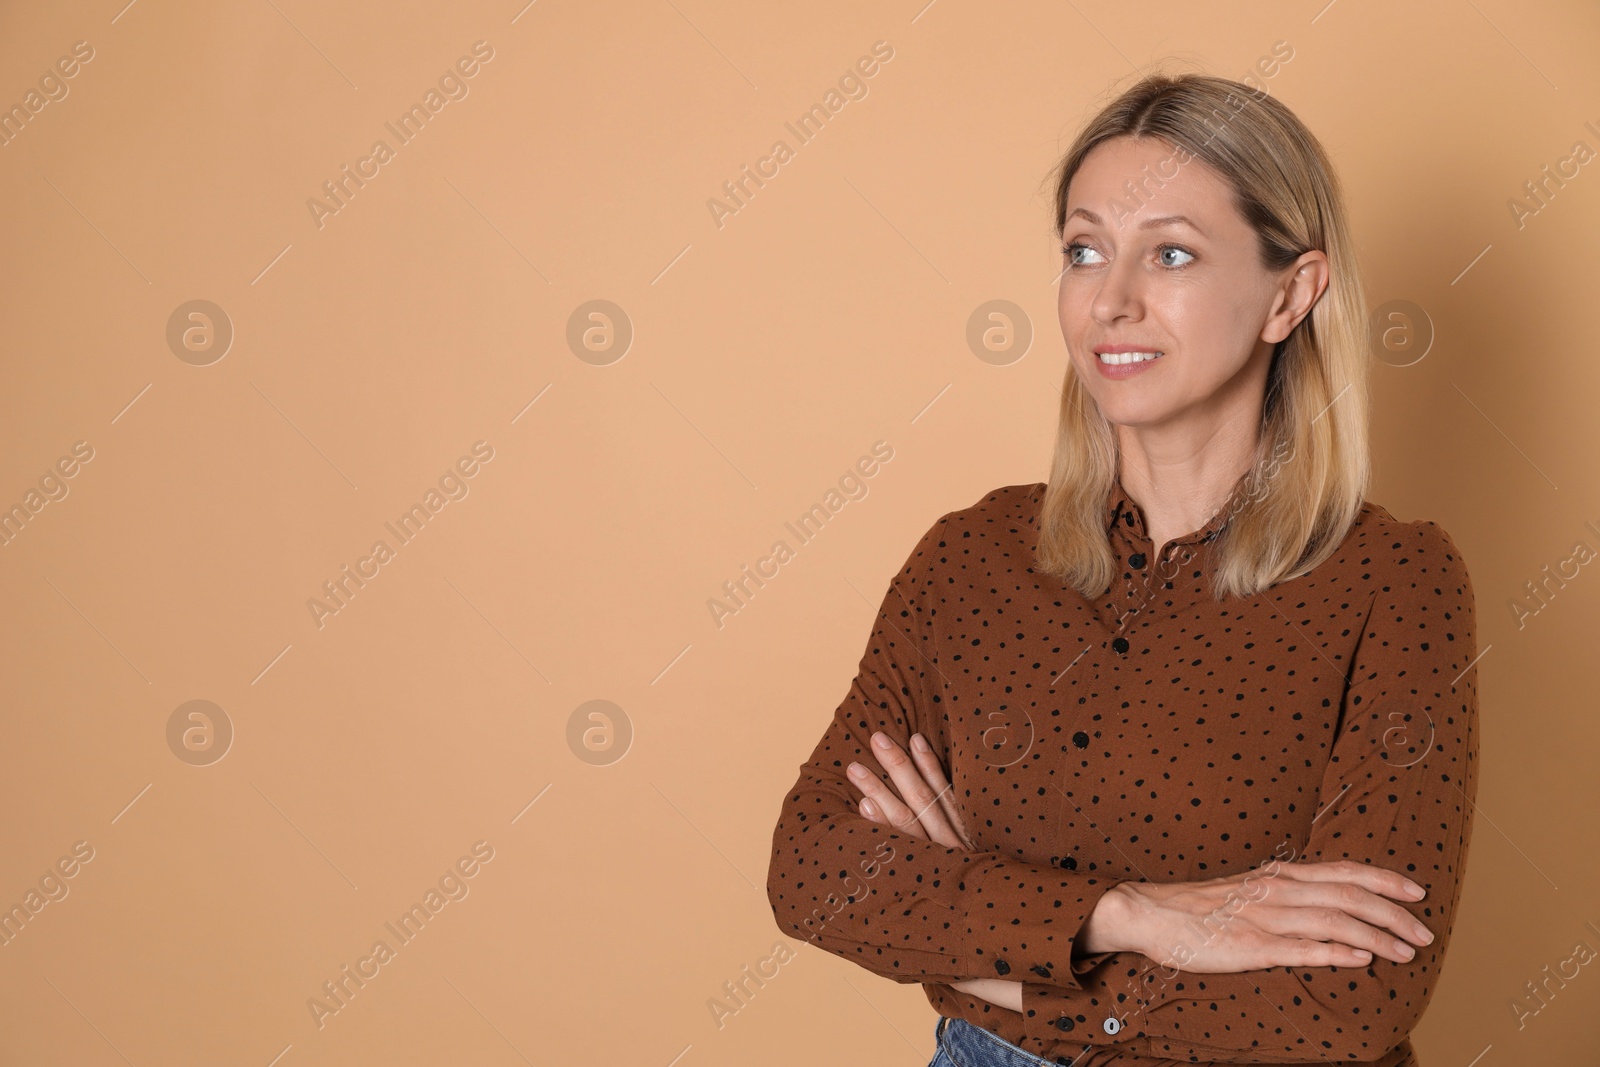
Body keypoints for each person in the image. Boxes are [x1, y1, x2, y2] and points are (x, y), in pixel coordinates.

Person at [764, 70, 1478, 1067]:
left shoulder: (1393, 581)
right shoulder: (969, 559)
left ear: (1290, 292)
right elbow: (814, 872)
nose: (1111, 300)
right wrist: (1135, 916)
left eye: (1171, 253)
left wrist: (990, 958)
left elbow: (1351, 1001)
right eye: (1083, 249)